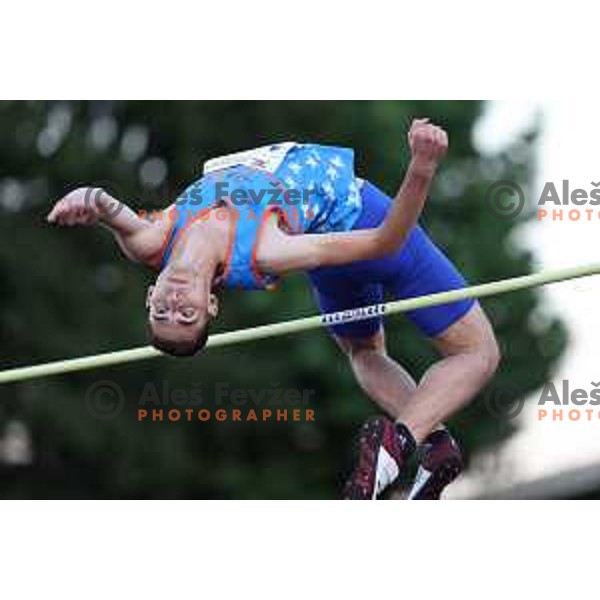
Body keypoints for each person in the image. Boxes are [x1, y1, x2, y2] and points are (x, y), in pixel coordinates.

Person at [47, 119, 500, 500]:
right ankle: (397, 445)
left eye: (162, 313)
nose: (175, 307)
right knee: (478, 354)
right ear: (210, 303)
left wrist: (85, 200)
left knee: (364, 354)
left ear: (151, 295)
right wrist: (421, 169)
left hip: (329, 257)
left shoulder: (152, 240)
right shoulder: (264, 251)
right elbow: (385, 241)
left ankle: (435, 444)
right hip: (367, 223)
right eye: (187, 317)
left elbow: (105, 204)